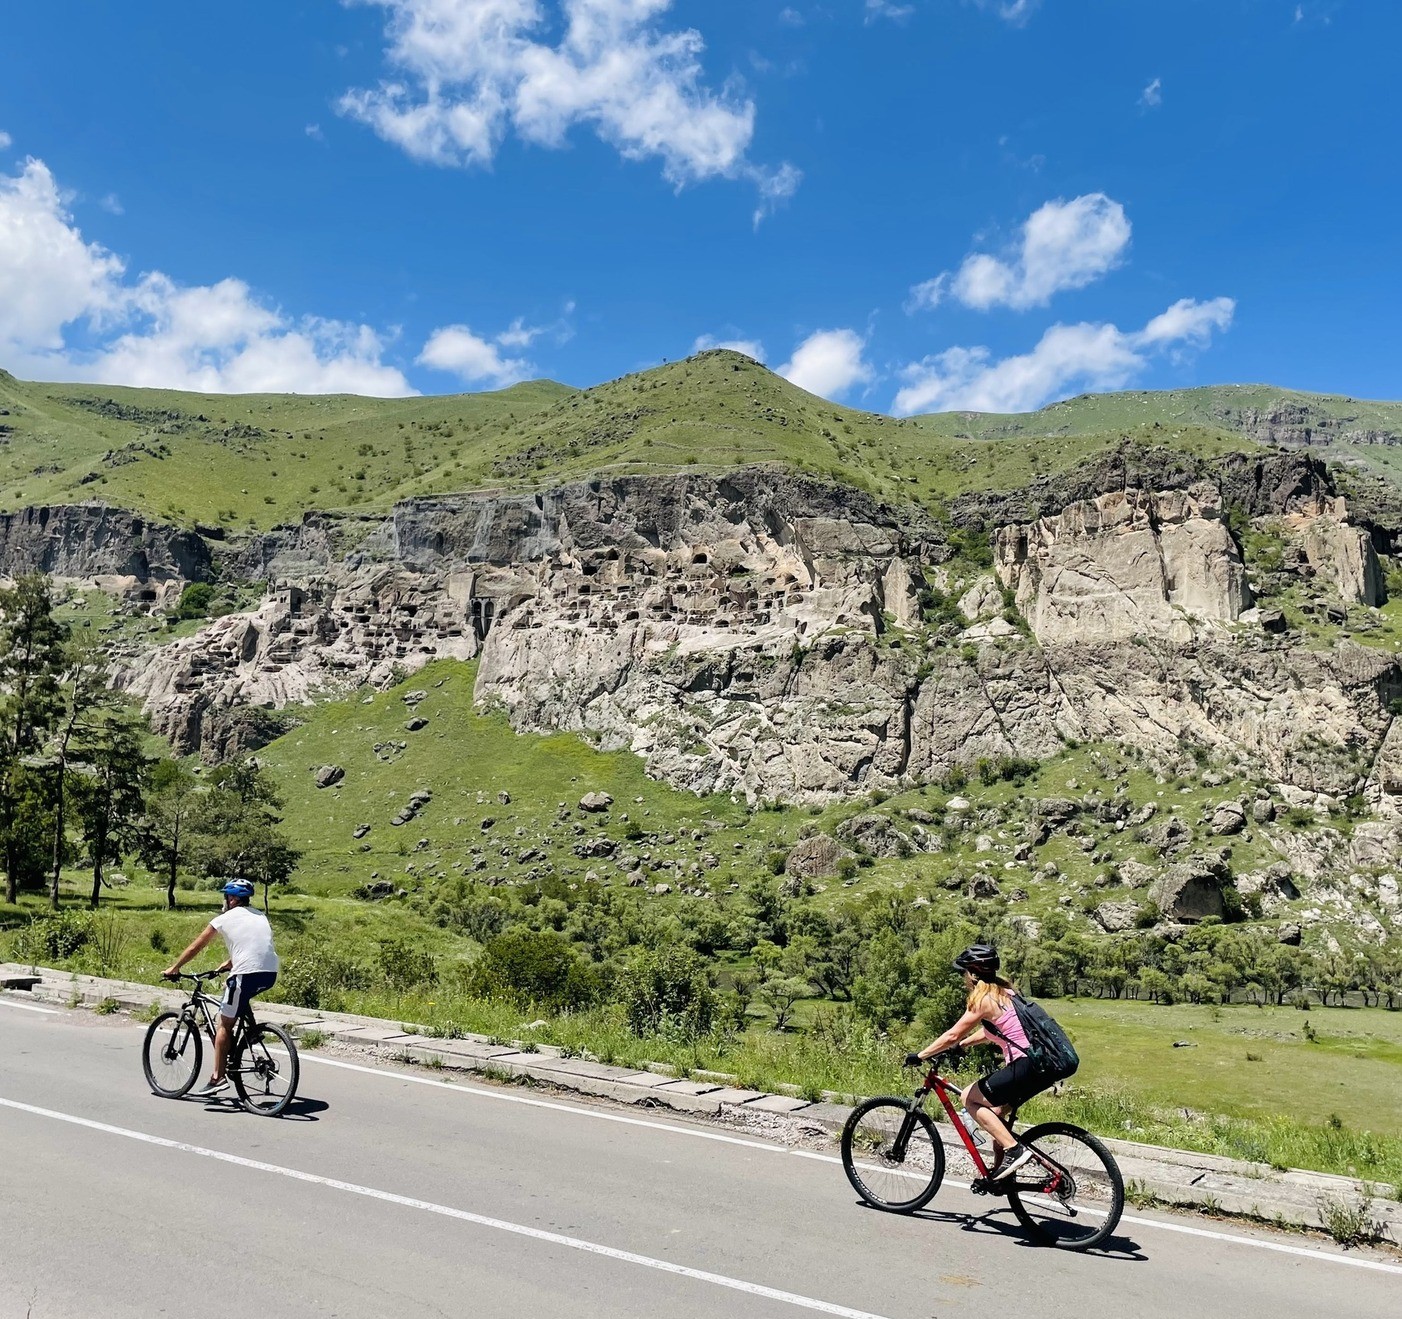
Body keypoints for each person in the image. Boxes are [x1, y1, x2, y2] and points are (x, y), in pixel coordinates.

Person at [905, 944, 1050, 1181]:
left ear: (973, 974)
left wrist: (921, 1055)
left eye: (964, 973)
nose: (963, 978)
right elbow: (992, 1032)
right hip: (1041, 1066)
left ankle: (1015, 1151)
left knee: (969, 1098)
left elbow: (952, 1034)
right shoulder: (1007, 994)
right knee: (994, 1115)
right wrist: (964, 1045)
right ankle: (1001, 1175)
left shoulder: (983, 999)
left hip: (1024, 1065)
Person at [163, 879, 279, 1098]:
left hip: (246, 973)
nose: (224, 901)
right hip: (270, 972)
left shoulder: (224, 918)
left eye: (226, 897)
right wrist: (230, 963)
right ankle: (250, 1034)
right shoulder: (260, 915)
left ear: (232, 899)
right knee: (237, 996)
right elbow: (255, 946)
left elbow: (196, 945)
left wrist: (175, 967)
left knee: (224, 1023)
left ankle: (217, 1078)